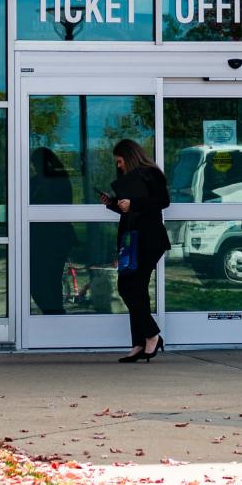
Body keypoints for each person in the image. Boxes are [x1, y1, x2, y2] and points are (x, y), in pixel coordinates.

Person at [100, 139, 169, 363]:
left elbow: (163, 201)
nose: (118, 166)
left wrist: (134, 204)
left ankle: (151, 335)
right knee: (134, 289)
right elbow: (129, 212)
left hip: (150, 241)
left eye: (120, 161)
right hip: (132, 241)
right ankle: (139, 343)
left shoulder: (151, 174)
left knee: (130, 287)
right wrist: (113, 204)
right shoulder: (127, 180)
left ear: (129, 157)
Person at [28, 148, 75, 314]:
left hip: (55, 238)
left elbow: (59, 206)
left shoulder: (58, 180)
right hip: (39, 238)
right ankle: (52, 312)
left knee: (50, 280)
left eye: (35, 163)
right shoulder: (35, 182)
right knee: (35, 280)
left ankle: (55, 314)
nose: (34, 167)